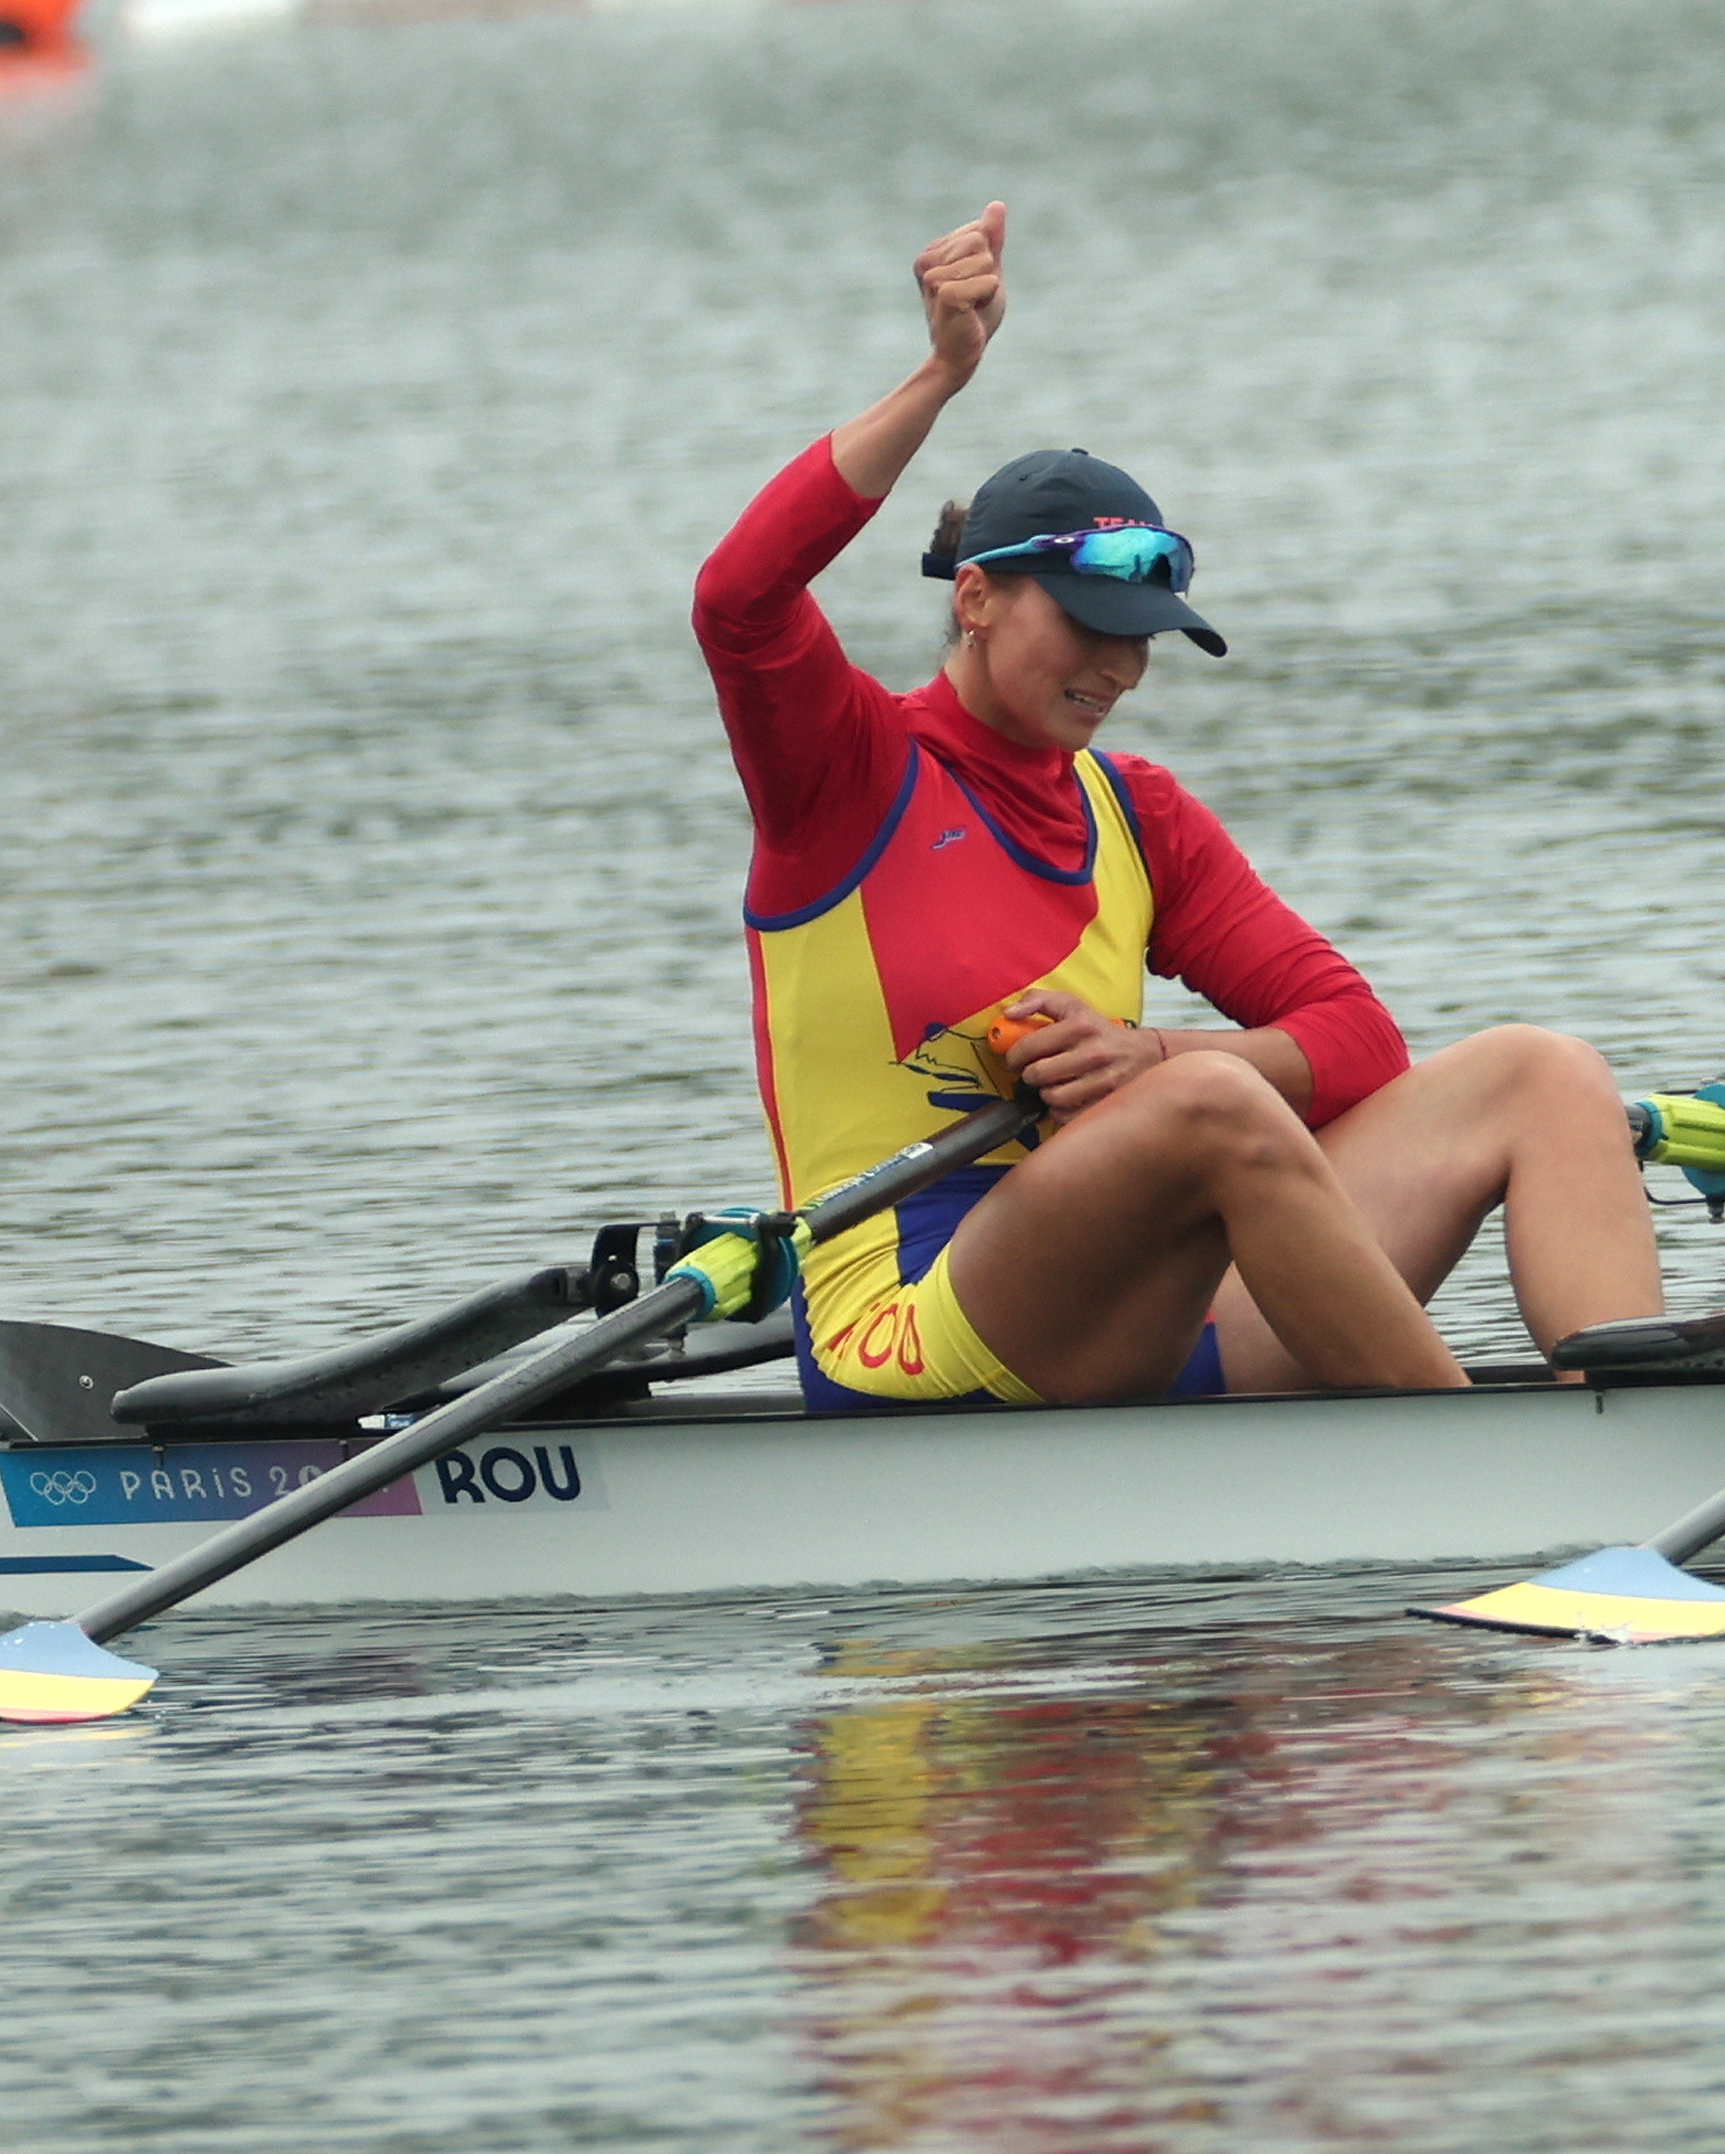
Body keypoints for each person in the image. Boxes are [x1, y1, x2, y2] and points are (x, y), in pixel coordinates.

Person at [692, 202, 1660, 1408]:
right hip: (902, 1325)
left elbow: (1358, 1040)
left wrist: (1146, 1052)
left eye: (1143, 640)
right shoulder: (846, 775)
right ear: (979, 600)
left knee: (1542, 1072)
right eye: (1090, 629)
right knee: (1212, 1101)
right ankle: (1502, 1475)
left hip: (1134, 1311)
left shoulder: (1135, 813)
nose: (1121, 669)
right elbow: (737, 599)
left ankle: (1624, 1426)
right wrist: (941, 378)